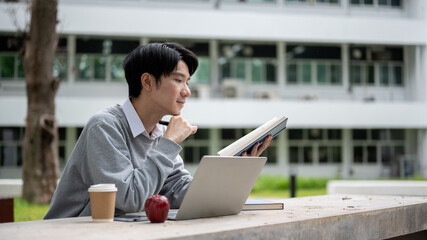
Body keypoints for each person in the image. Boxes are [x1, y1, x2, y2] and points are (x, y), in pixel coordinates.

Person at [44, 42, 271, 219]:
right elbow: (128, 198)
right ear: (148, 82)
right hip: (70, 232)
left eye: (188, 82)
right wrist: (170, 142)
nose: (187, 92)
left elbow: (180, 192)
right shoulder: (105, 126)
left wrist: (235, 169)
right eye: (179, 80)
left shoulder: (159, 134)